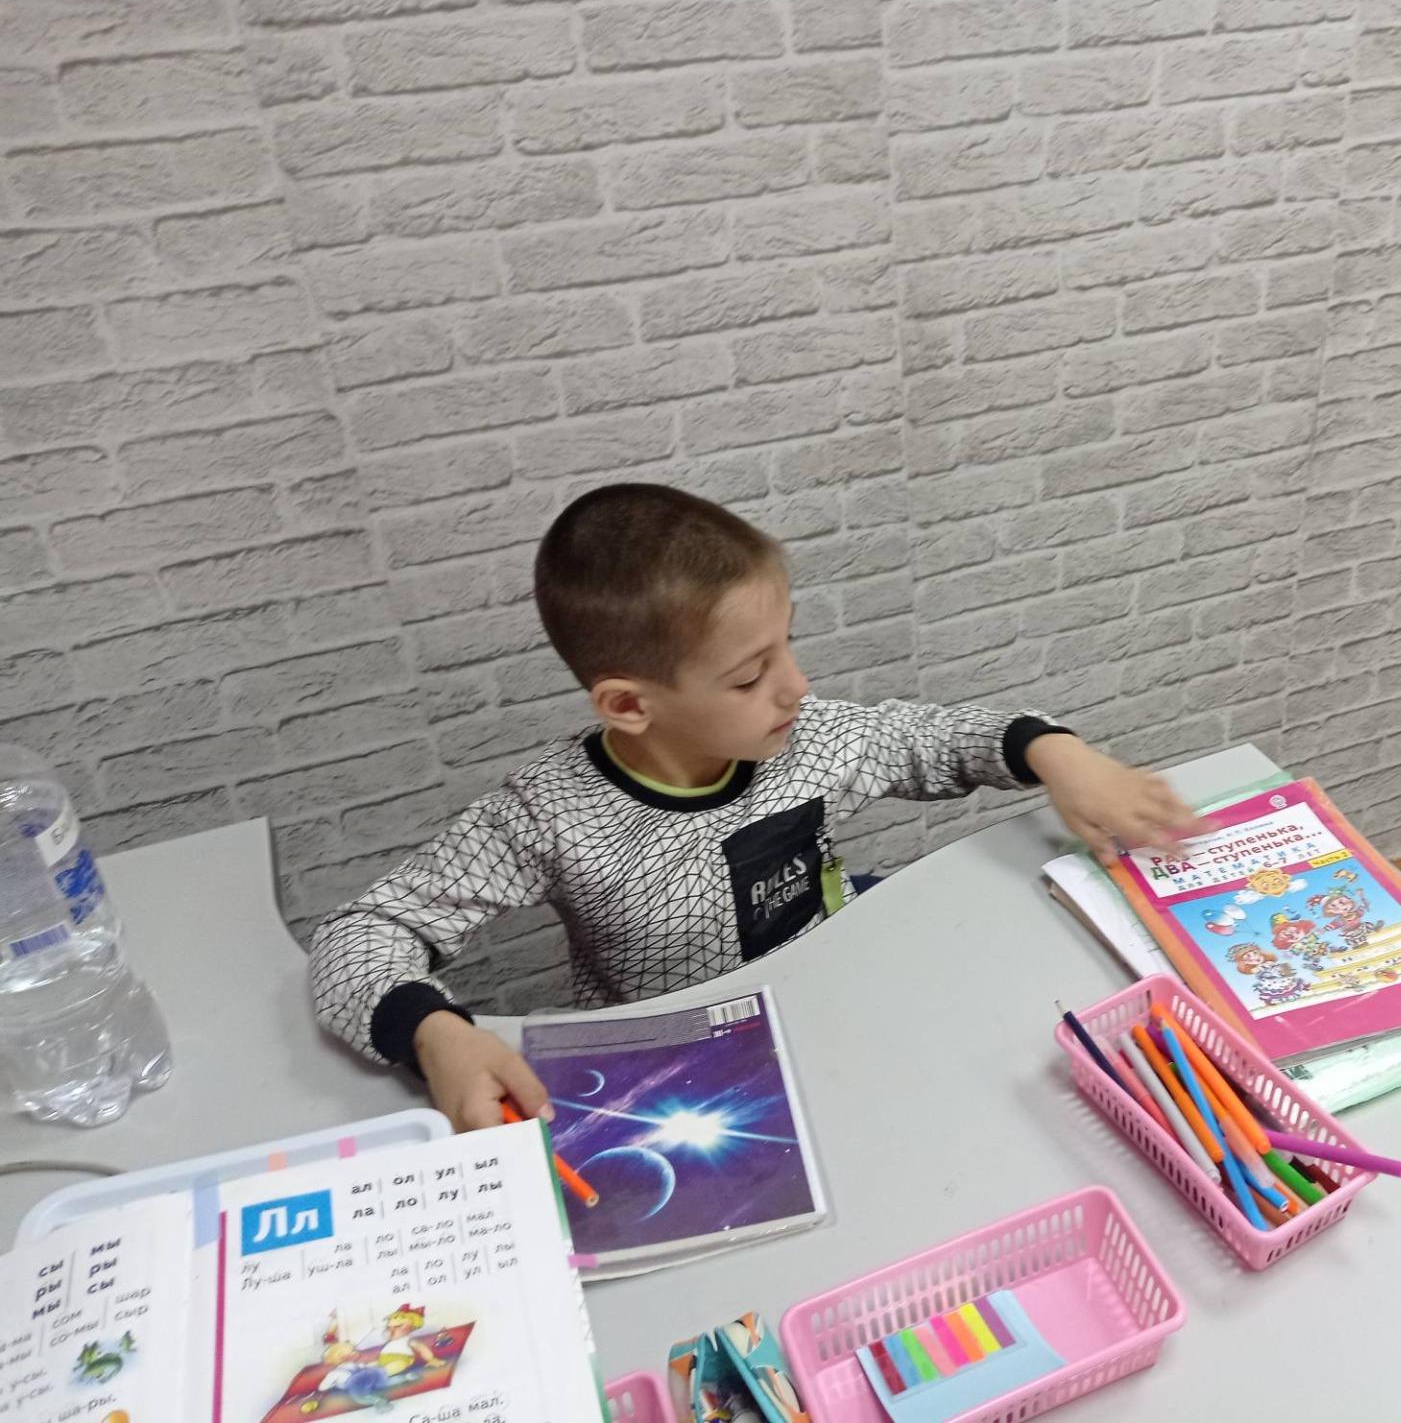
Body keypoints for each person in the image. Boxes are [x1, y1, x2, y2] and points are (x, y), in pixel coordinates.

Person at [309, 484, 1203, 1130]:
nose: (796, 687)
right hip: (690, 1074)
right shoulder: (549, 816)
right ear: (629, 705)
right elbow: (363, 933)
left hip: (844, 1006)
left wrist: (1057, 754)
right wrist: (434, 1034)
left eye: (787, 648)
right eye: (749, 676)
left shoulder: (806, 737)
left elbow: (935, 738)